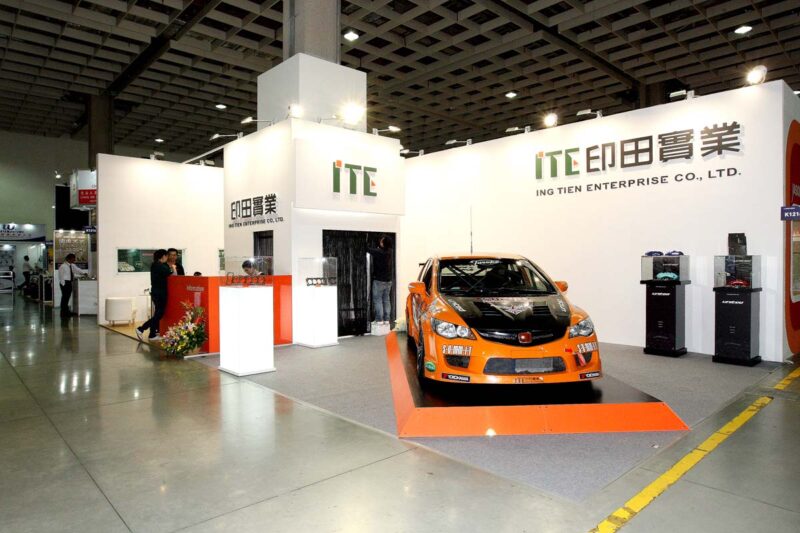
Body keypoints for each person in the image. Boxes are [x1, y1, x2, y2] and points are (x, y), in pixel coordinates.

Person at [136, 249, 171, 342]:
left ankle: (152, 335)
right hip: (160, 293)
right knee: (160, 314)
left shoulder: (155, 265)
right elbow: (169, 273)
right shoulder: (159, 265)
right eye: (167, 256)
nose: (167, 258)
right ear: (163, 256)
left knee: (157, 314)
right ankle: (141, 329)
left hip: (157, 292)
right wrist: (173, 268)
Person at [368, 236, 393, 326]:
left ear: (383, 243)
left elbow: (368, 249)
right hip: (388, 281)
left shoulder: (379, 252)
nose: (380, 242)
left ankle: (379, 320)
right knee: (386, 300)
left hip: (379, 280)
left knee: (378, 300)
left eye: (381, 241)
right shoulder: (390, 251)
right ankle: (386, 319)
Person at [58, 253, 88, 318]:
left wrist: (84, 273)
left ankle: (66, 312)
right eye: (73, 259)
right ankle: (63, 313)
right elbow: (61, 276)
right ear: (69, 259)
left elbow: (77, 270)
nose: (74, 260)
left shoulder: (72, 265)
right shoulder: (63, 266)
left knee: (67, 298)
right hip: (65, 283)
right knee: (65, 298)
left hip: (69, 283)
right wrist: (64, 285)